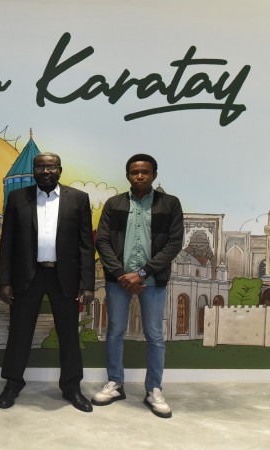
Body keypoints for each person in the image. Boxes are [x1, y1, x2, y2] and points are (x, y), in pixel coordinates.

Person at [0, 152, 95, 412]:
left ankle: (72, 387)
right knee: (19, 332)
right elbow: (7, 242)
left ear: (60, 170)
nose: (46, 171)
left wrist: (87, 284)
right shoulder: (18, 198)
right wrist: (4, 280)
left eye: (51, 167)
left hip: (65, 276)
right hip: (27, 276)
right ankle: (12, 384)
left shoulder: (79, 199)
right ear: (34, 170)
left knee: (69, 334)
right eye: (40, 167)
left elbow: (86, 245)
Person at [92, 153, 183, 419]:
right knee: (115, 332)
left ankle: (154, 389)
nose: (139, 176)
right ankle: (115, 383)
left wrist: (141, 273)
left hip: (152, 281)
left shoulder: (170, 204)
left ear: (154, 175)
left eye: (145, 172)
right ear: (128, 175)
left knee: (154, 335)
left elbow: (173, 243)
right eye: (134, 172)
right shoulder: (114, 204)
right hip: (118, 281)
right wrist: (122, 275)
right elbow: (103, 241)